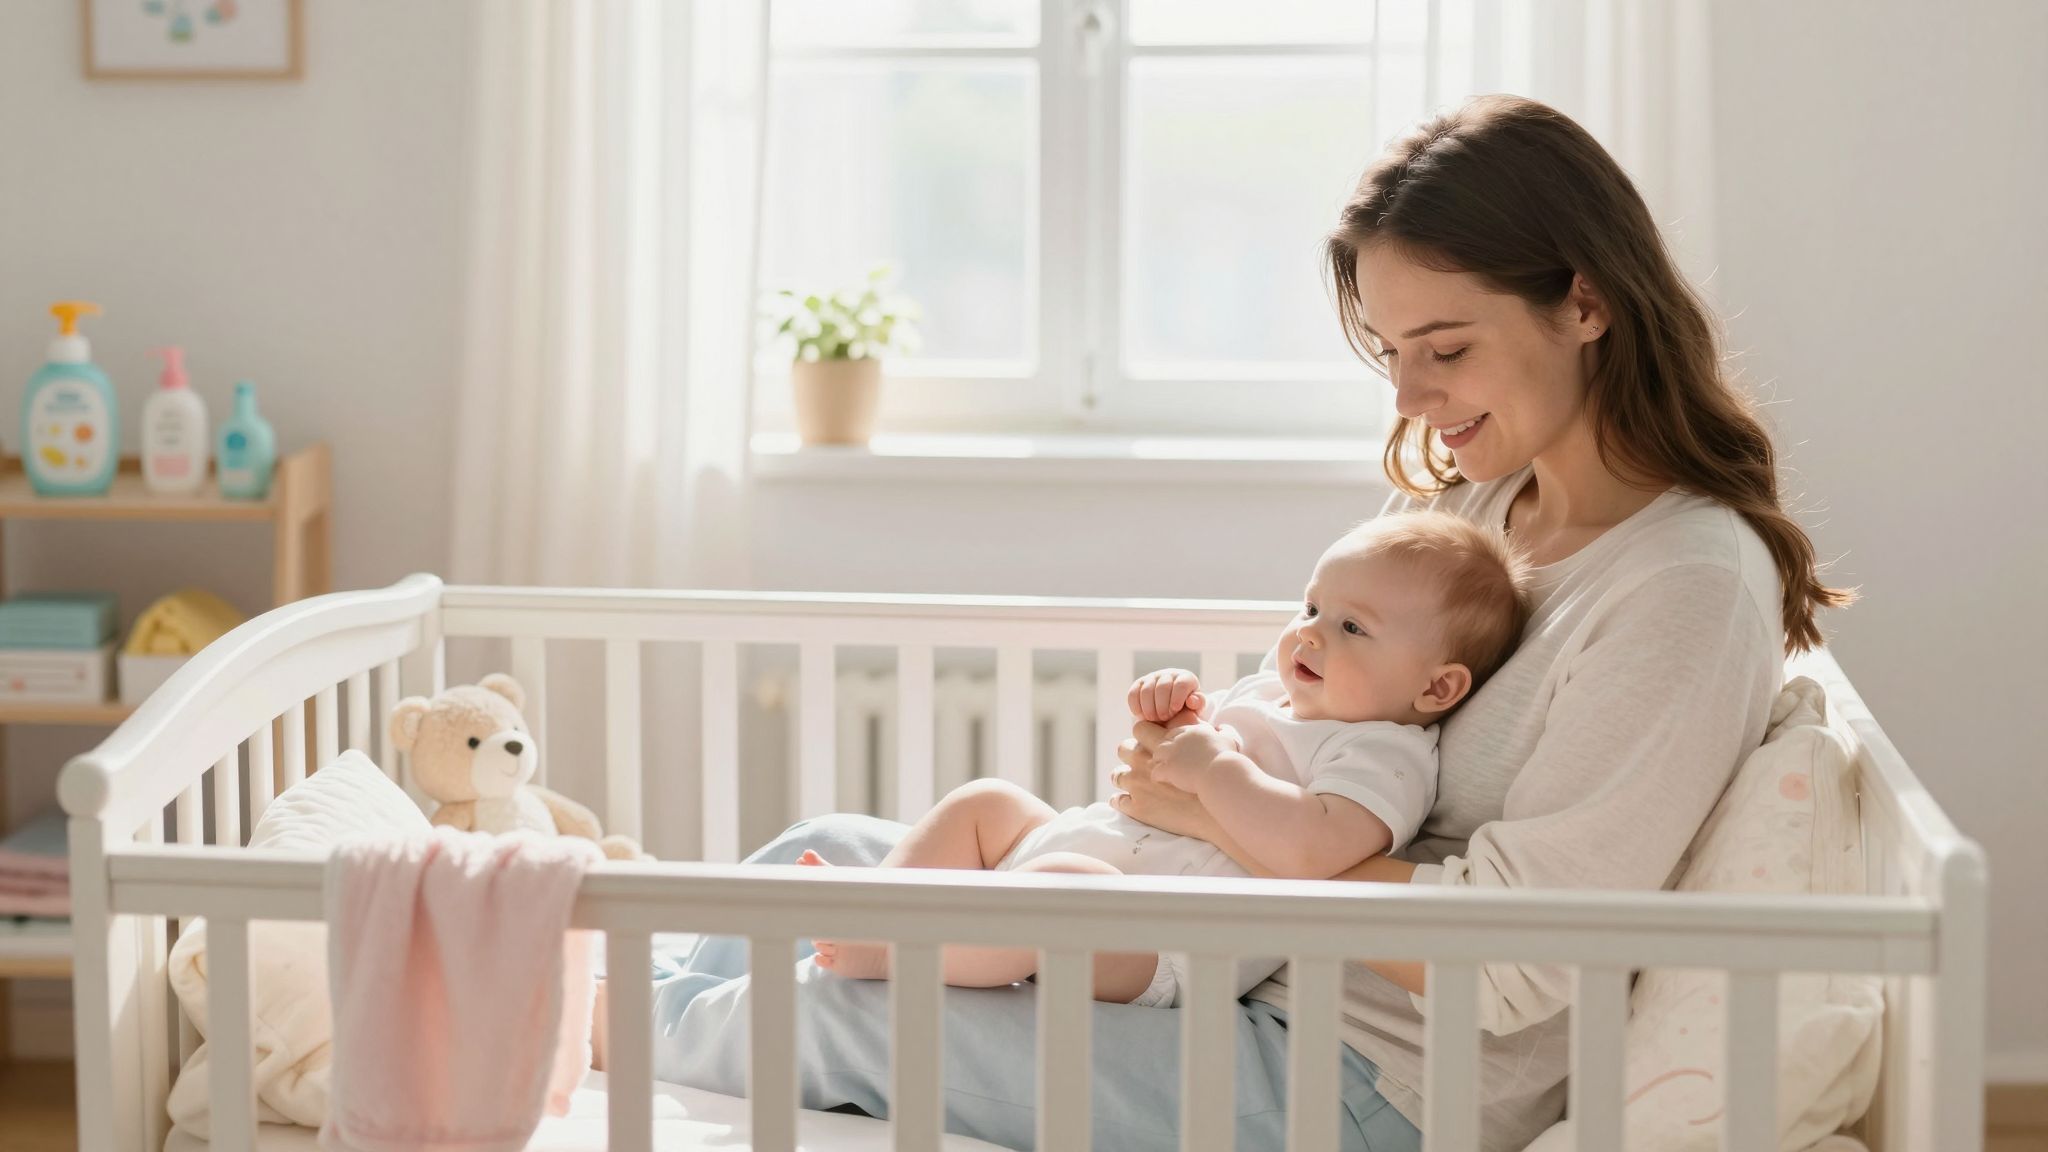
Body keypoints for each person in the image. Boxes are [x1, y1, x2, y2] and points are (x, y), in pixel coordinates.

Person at [641, 94, 1849, 1152]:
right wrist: (1185, 768)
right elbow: (1305, 700)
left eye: (1444, 349)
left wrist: (1249, 824)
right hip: (1232, 953)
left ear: (1583, 302)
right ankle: (591, 971)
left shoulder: (1681, 587)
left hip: (1365, 1072)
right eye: (1387, 351)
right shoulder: (1478, 500)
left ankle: (548, 1010)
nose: (1410, 398)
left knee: (842, 1008)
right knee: (825, 851)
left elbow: (1524, 956)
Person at [798, 512, 1530, 1009]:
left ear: (1436, 686)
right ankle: (884, 908)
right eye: (1310, 609)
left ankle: (892, 955)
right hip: (1102, 862)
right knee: (987, 803)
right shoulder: (1272, 693)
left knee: (1061, 893)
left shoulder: (1385, 753)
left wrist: (1214, 769)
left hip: (1164, 940)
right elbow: (1187, 747)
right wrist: (1179, 708)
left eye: (1350, 627)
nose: (1310, 636)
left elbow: (1312, 850)